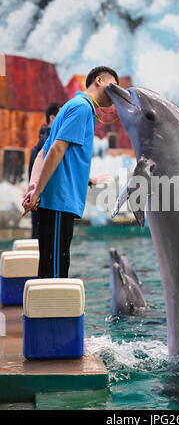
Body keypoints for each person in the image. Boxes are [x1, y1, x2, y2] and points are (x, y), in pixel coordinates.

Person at [22, 66, 119, 278]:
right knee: (55, 273)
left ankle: (46, 310)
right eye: (114, 86)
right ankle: (53, 312)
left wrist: (33, 188)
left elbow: (42, 154)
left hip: (55, 201)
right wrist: (37, 191)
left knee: (50, 268)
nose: (116, 94)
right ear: (99, 80)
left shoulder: (71, 107)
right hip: (59, 201)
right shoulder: (82, 107)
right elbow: (56, 149)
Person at [28, 102, 62, 239]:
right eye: (61, 114)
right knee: (45, 242)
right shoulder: (48, 142)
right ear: (52, 118)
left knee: (40, 239)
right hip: (45, 201)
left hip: (39, 199)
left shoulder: (41, 141)